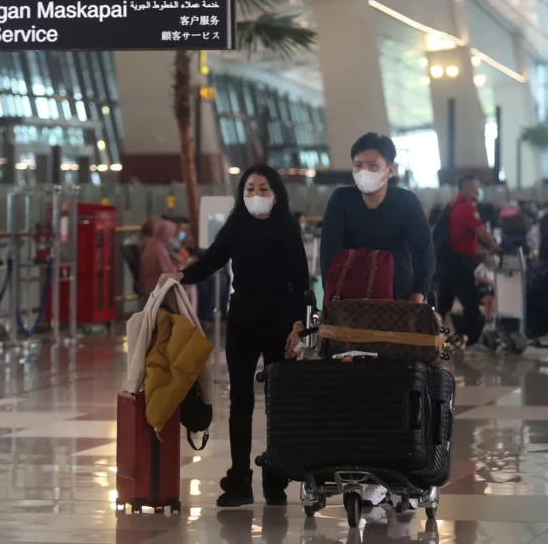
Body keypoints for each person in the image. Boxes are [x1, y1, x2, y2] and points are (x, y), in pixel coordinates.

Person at [165, 165, 309, 507]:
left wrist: (298, 326)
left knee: (278, 404)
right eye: (249, 190)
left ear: (275, 193)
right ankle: (239, 478)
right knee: (240, 404)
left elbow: (301, 282)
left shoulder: (287, 228)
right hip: (243, 319)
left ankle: (276, 477)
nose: (255, 196)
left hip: (279, 323)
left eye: (262, 189)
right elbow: (212, 260)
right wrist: (179, 276)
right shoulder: (238, 224)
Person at [320, 133, 434, 305]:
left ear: (390, 170)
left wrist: (418, 294)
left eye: (373, 165)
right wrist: (331, 296)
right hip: (350, 299)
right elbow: (329, 253)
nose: (364, 172)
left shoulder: (406, 202)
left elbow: (424, 250)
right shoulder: (341, 200)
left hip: (398, 297)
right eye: (358, 165)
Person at [436, 174, 499, 347]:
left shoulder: (453, 205)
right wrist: (495, 247)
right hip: (459, 263)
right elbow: (482, 232)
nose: (478, 190)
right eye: (476, 187)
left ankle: (432, 337)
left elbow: (463, 239)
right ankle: (469, 339)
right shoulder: (467, 207)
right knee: (470, 303)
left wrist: (483, 250)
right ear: (468, 188)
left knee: (444, 303)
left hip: (448, 260)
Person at [138, 219, 180, 296]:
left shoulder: (151, 245)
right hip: (157, 287)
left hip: (149, 286)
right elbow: (167, 271)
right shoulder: (159, 249)